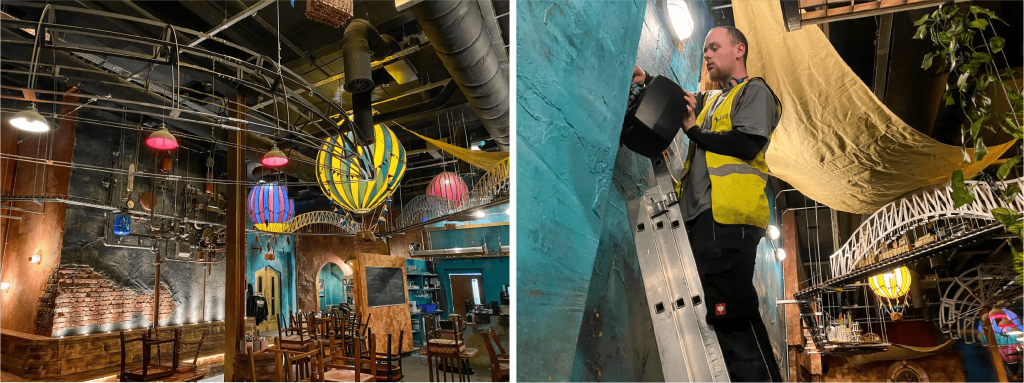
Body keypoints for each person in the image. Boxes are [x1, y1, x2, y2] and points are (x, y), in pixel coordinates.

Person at [632, 26, 783, 383]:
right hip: (701, 219)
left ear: (739, 50)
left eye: (714, 48)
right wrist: (648, 78)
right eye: (705, 51)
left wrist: (694, 131)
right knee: (716, 319)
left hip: (729, 220)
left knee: (731, 316)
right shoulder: (712, 101)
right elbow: (684, 102)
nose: (707, 56)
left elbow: (747, 143)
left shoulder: (755, 91)